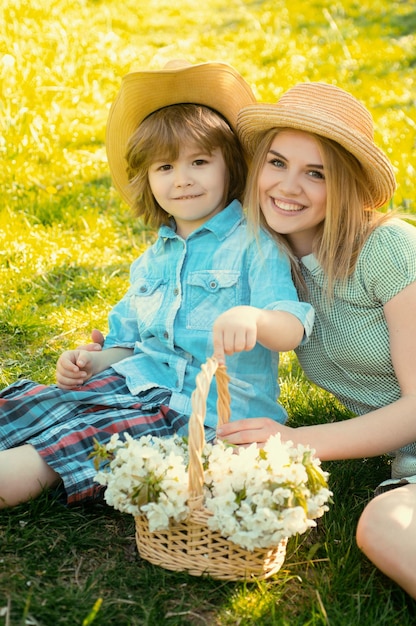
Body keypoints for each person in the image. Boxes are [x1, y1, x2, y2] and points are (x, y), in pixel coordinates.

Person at [213, 82, 416, 625]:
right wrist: (113, 350)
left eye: (316, 173)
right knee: (385, 526)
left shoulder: (388, 248)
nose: (288, 186)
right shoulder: (266, 267)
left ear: (344, 185)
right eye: (277, 162)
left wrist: (296, 442)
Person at [0, 61, 314, 510]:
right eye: (164, 167)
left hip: (198, 416)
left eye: (200, 162)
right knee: (29, 405)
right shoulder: (153, 259)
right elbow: (129, 345)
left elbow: (293, 324)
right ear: (147, 178)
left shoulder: (255, 244)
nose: (182, 178)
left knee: (64, 445)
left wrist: (257, 319)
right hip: (135, 386)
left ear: (232, 169)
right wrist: (91, 363)